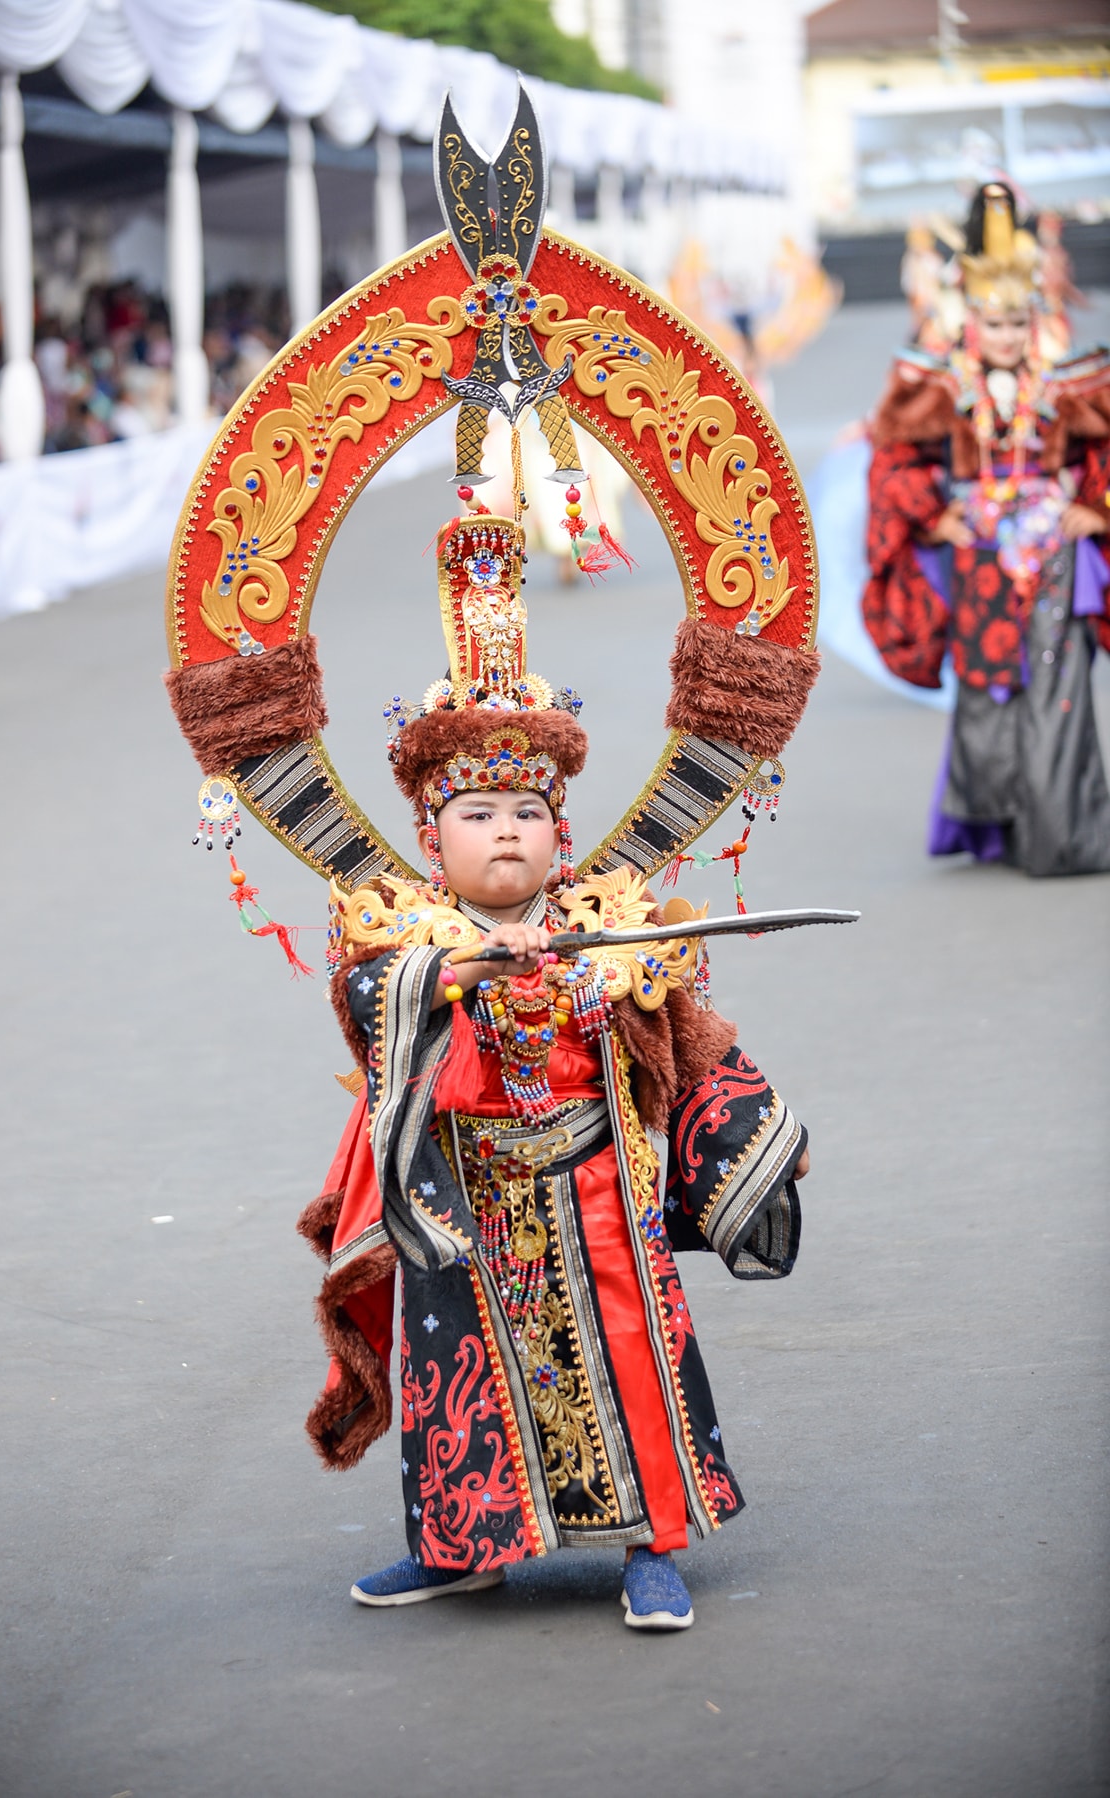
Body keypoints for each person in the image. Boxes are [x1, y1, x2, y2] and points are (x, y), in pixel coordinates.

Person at [295, 508, 810, 1632]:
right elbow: (368, 1002)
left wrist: (647, 994)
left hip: (594, 1188)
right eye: (476, 813)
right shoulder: (401, 931)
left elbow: (681, 1033)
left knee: (629, 1358)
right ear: (433, 838)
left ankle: (651, 1544)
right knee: (457, 1383)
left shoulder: (606, 916)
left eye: (528, 810)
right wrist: (465, 966)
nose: (508, 834)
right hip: (464, 1198)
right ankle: (461, 1546)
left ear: (560, 828)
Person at [862, 183, 1110, 876]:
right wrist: (931, 513)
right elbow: (892, 459)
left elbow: (1105, 453)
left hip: (1056, 555)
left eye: (1016, 323)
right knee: (987, 687)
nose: (1005, 335)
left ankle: (1062, 836)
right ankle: (996, 828)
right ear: (968, 319)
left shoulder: (1072, 383)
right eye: (992, 323)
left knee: (1057, 691)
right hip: (978, 559)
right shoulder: (934, 385)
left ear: (1035, 320)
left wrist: (1098, 506)